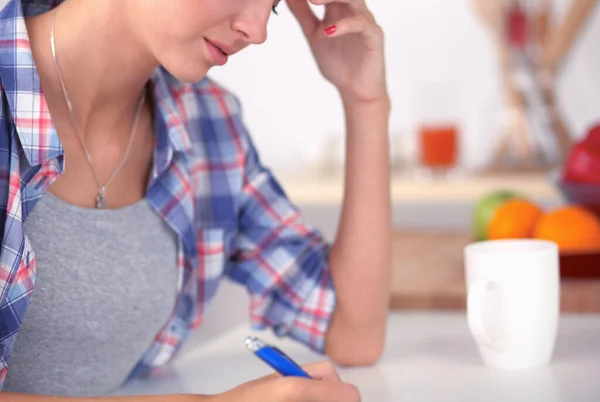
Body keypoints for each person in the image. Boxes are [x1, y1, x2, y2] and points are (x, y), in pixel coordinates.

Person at [0, 0, 391, 400]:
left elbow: (352, 332)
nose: (258, 32)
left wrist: (365, 102)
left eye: (272, 6)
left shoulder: (206, 123)